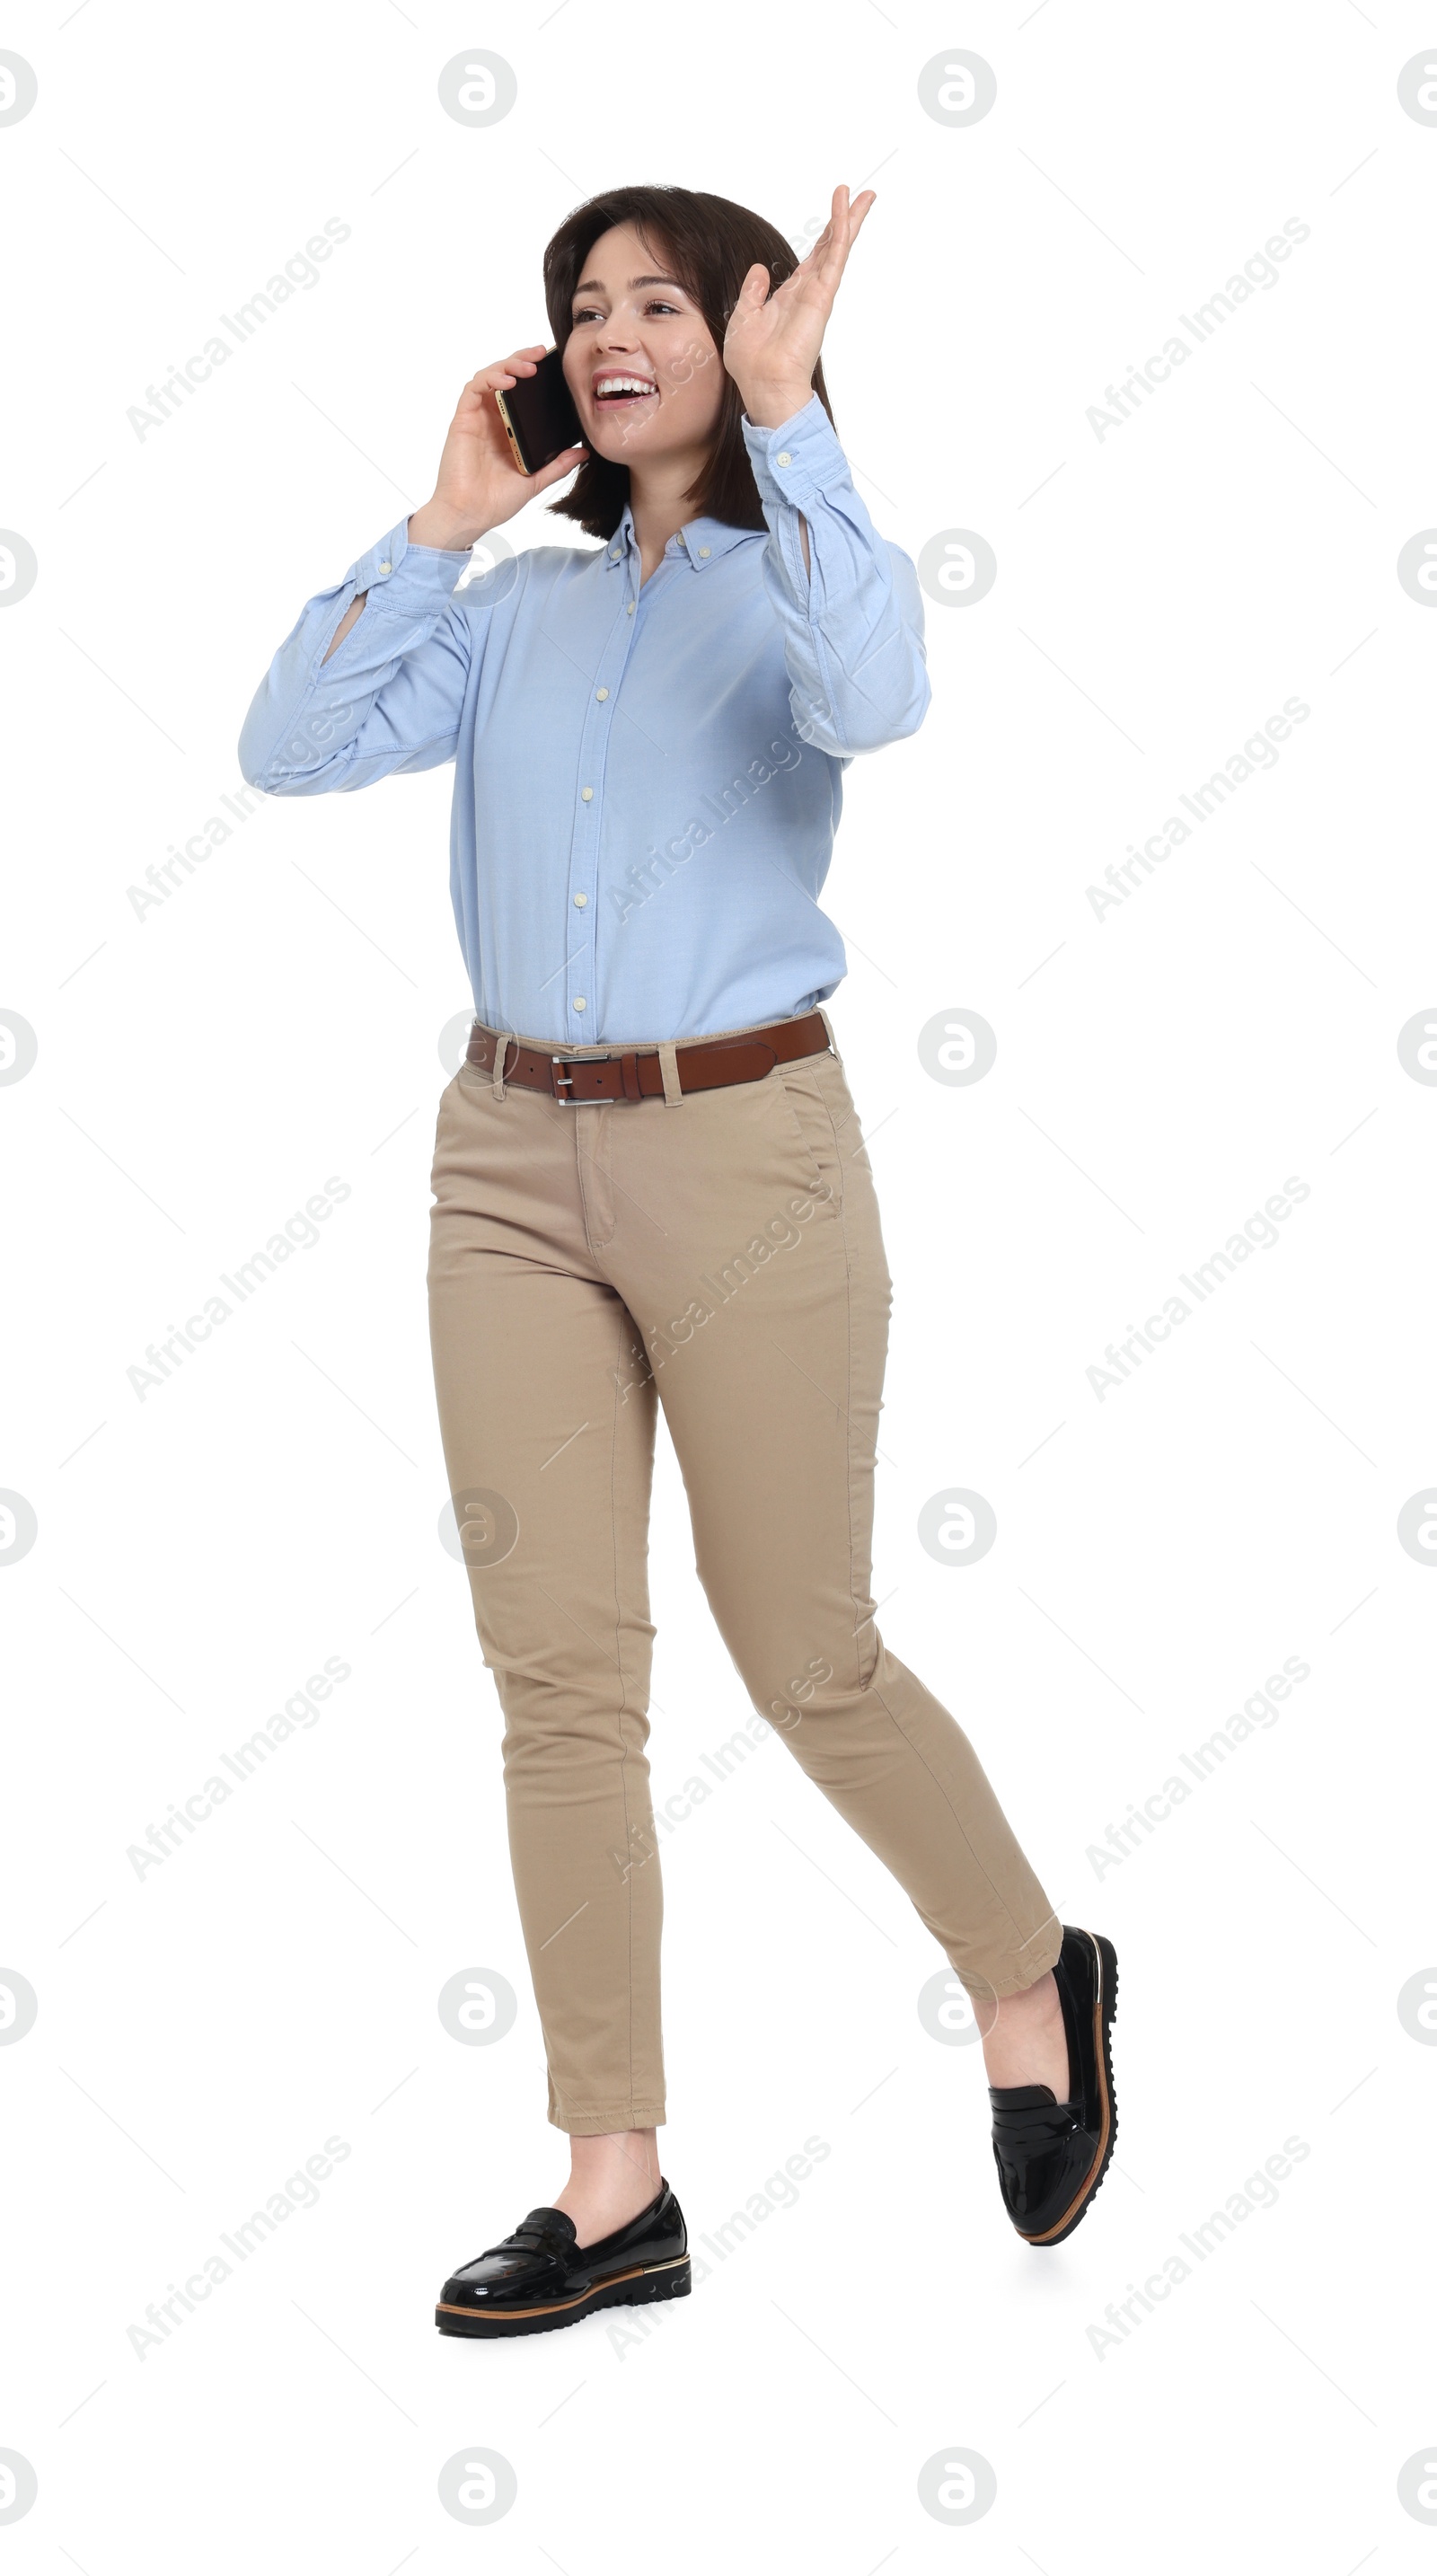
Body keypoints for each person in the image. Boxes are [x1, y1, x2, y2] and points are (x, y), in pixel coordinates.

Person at [239, 181, 1118, 2339]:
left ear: (741, 332)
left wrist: (797, 425)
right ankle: (610, 2179)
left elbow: (877, 695)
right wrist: (440, 519)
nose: (608, 331)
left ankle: (1027, 1971)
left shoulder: (791, 574)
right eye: (579, 306)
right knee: (556, 1679)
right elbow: (288, 748)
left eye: (658, 300)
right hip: (505, 1165)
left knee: (801, 1649)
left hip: (746, 1154)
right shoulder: (518, 609)